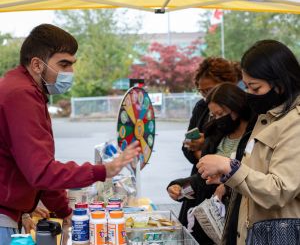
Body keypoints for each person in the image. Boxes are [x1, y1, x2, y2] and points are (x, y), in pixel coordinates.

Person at [0, 24, 141, 244]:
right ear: (37, 64)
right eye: (63, 64)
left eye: (72, 65)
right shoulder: (21, 94)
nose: (70, 73)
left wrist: (64, 210)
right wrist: (104, 170)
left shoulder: (26, 90)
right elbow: (42, 172)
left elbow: (39, 167)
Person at [197, 40, 300, 245]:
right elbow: (259, 171)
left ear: (280, 83)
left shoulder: (295, 123)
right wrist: (229, 176)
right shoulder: (269, 118)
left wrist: (230, 166)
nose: (250, 96)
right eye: (247, 87)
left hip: (278, 235)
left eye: (255, 88)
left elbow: (279, 190)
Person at [168, 83, 256, 244]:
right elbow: (203, 180)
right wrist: (181, 189)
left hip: (243, 220)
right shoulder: (216, 136)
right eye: (213, 115)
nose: (217, 119)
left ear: (236, 107)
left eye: (220, 113)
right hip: (212, 223)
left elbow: (257, 177)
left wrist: (229, 184)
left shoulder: (256, 135)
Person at [183, 57, 241, 175]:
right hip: (201, 177)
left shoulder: (239, 109)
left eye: (209, 90)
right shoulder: (201, 107)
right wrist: (197, 151)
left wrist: (205, 146)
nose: (206, 96)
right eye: (201, 91)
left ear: (228, 84)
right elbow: (185, 146)